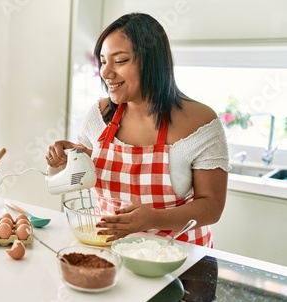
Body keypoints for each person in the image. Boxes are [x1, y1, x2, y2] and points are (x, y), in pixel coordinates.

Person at [45, 12, 230, 247]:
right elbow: (90, 166)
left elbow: (212, 207)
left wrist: (154, 219)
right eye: (103, 61)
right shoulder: (99, 115)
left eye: (120, 61)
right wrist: (69, 156)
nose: (105, 73)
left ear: (152, 61)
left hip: (180, 261)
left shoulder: (201, 122)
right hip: (112, 251)